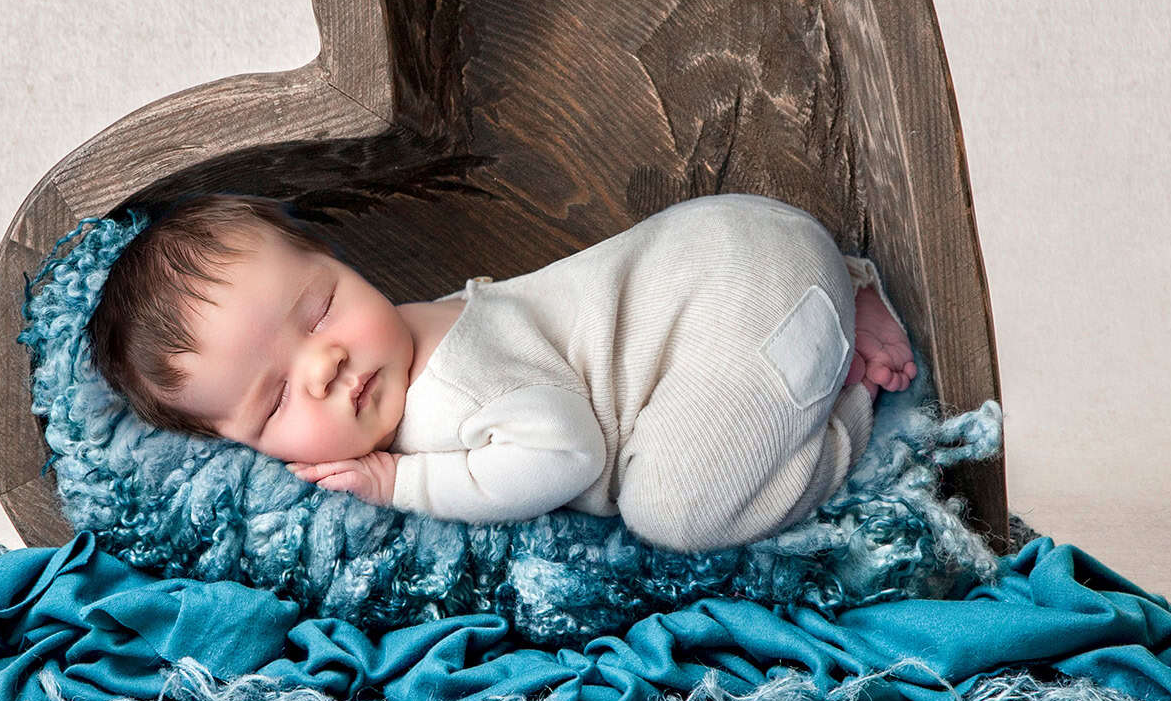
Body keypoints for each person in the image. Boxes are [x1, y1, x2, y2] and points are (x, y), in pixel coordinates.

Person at [85, 191, 918, 553]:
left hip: (738, 287)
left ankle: (846, 399)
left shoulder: (449, 388)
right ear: (236, 444)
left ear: (337, 261)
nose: (324, 366)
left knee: (677, 511)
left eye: (320, 311)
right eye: (273, 402)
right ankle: (835, 292)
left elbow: (569, 454)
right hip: (725, 245)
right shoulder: (412, 333)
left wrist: (401, 484)